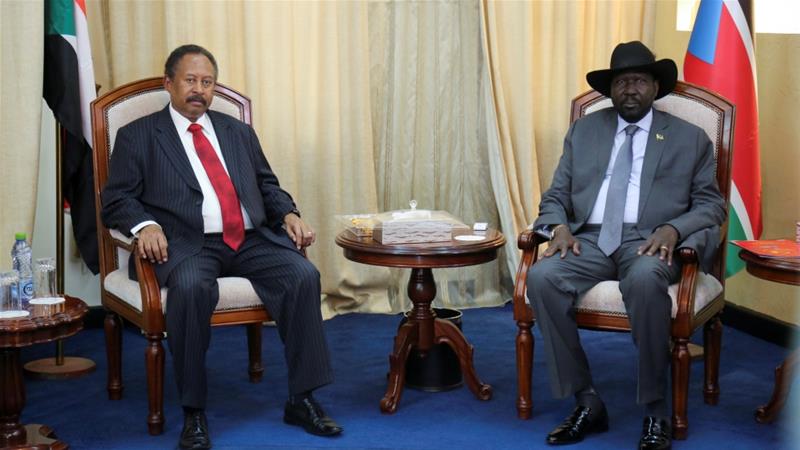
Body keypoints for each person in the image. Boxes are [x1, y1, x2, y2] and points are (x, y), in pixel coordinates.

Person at [102, 44, 342, 449]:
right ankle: (194, 412)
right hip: (185, 243)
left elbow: (267, 185)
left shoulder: (237, 132)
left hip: (249, 238)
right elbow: (117, 199)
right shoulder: (139, 136)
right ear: (169, 84)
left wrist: (289, 214)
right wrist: (145, 225)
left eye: (207, 82)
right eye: (190, 80)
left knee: (303, 275)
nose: (199, 90)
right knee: (193, 289)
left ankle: (303, 398)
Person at [527, 41, 725, 450]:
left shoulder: (690, 139)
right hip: (589, 239)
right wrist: (557, 228)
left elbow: (711, 204)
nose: (629, 89)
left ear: (655, 86)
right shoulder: (585, 130)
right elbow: (555, 195)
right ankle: (586, 400)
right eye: (620, 82)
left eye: (637, 80)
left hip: (650, 241)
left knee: (646, 281)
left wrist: (674, 228)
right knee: (543, 277)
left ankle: (656, 410)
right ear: (610, 89)